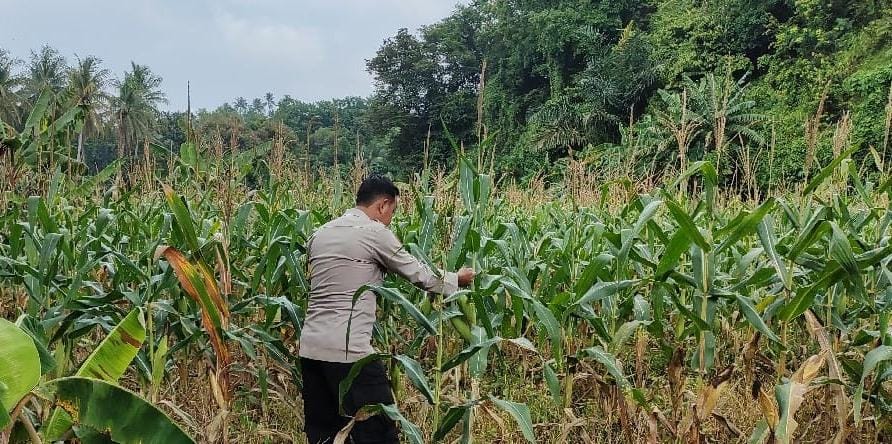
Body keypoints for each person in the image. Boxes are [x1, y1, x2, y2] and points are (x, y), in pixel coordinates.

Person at [299, 174, 475, 444]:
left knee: (325, 436)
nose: (390, 219)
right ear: (383, 205)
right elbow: (420, 275)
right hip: (349, 353)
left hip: (311, 350)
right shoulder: (373, 232)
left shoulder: (320, 234)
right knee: (379, 432)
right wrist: (457, 279)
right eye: (392, 211)